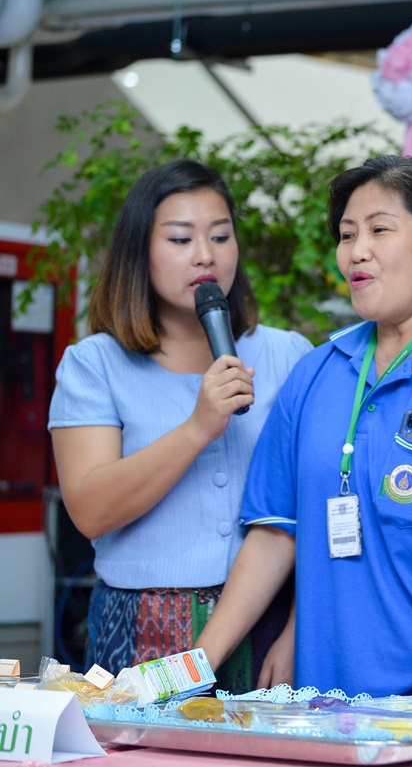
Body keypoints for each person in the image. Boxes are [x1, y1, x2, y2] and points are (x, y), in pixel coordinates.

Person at [196, 155, 412, 708]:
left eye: (380, 230)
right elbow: (275, 534)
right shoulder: (318, 370)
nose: (356, 251)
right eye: (347, 235)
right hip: (326, 700)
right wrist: (194, 668)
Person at [48, 160, 312, 692]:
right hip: (141, 624)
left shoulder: (289, 355)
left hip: (270, 623)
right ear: (138, 253)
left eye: (221, 235)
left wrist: (297, 629)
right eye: (180, 238)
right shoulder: (94, 364)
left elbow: (316, 513)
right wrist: (198, 427)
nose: (205, 255)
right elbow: (91, 512)